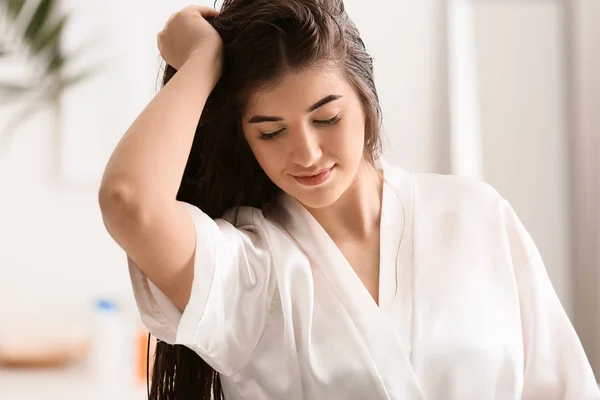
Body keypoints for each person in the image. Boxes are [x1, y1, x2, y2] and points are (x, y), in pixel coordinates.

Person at [98, 1, 600, 399]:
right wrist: (202, 60)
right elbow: (129, 201)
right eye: (270, 132)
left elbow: (564, 388)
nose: (307, 153)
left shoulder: (476, 215)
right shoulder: (248, 269)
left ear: (363, 97)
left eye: (327, 118)